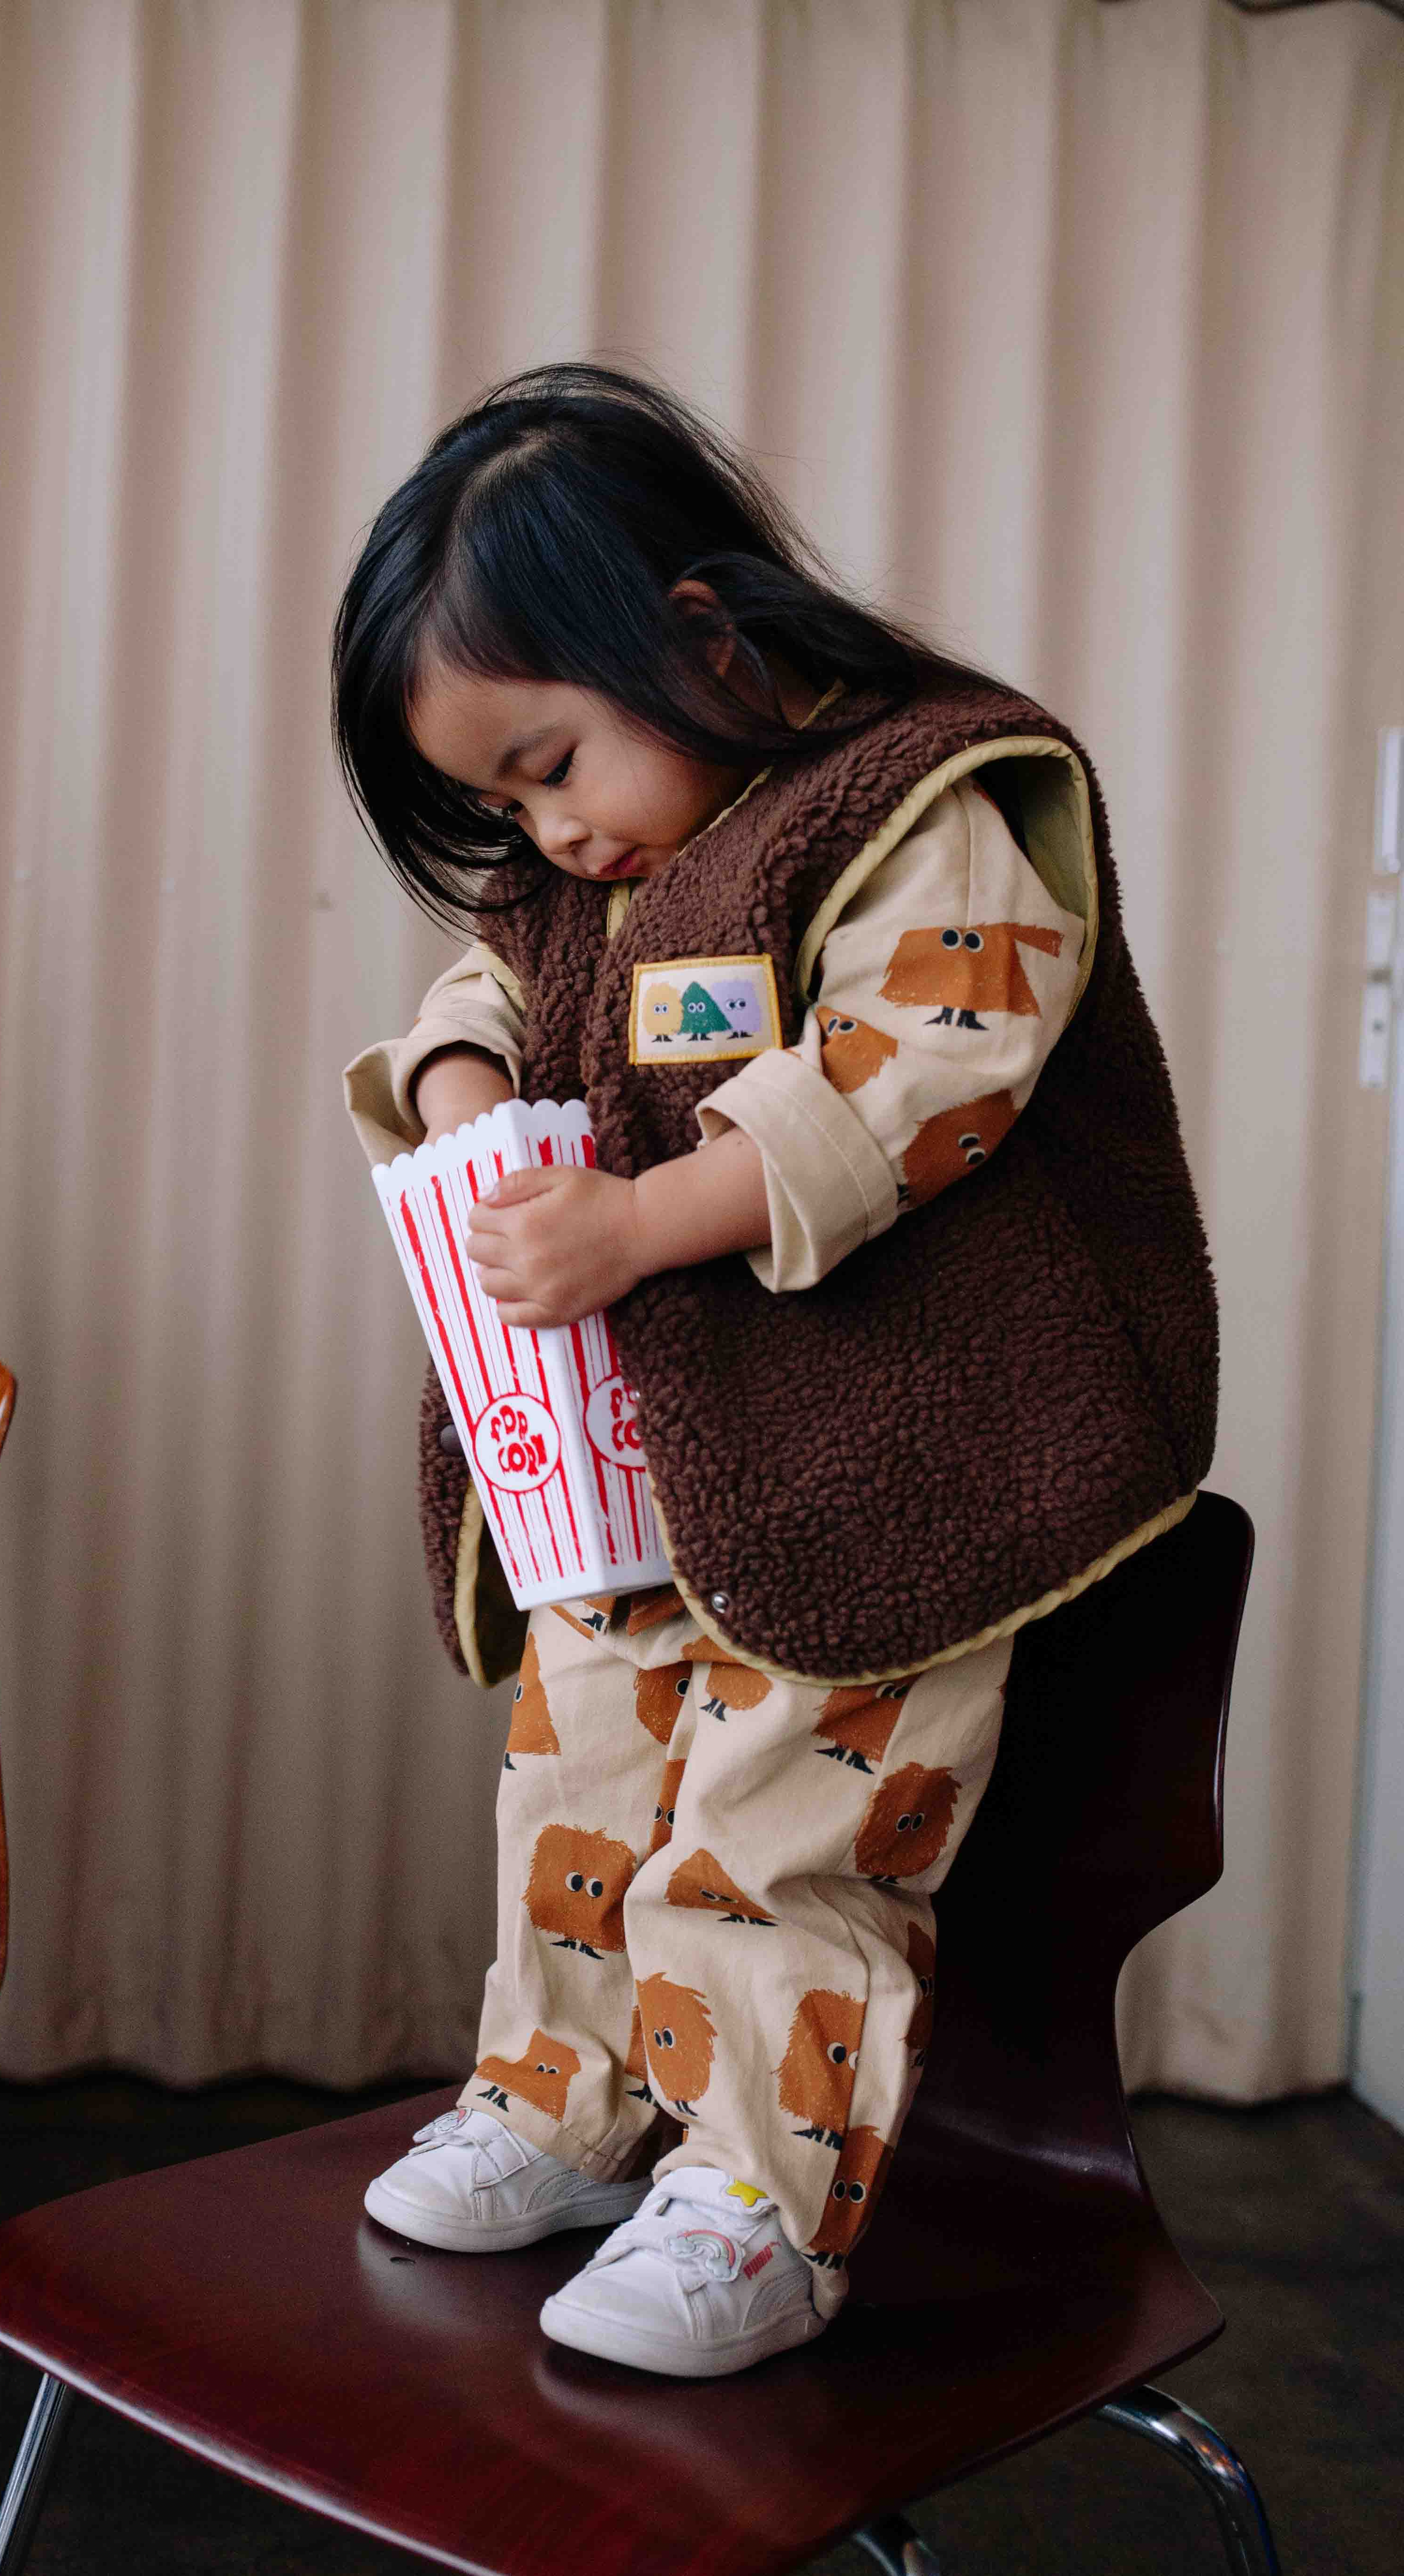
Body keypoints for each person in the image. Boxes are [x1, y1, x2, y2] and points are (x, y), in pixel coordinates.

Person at [333, 364, 1217, 2378]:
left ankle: (752, 2190)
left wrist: (644, 1220)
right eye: (501, 803)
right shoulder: (583, 862)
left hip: (906, 1439)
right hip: (654, 1456)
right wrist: (468, 1071)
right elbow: (491, 979)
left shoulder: (923, 799)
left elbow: (925, 1061)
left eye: (550, 760)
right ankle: (564, 2103)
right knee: (578, 1768)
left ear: (699, 634)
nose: (544, 828)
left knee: (779, 1810)